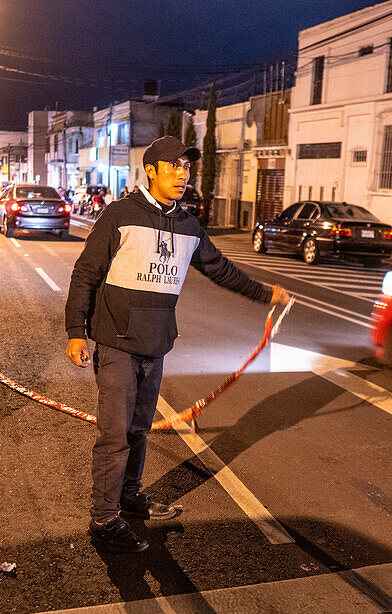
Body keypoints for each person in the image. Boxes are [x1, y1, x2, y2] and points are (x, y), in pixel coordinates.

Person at [65, 136, 291, 553]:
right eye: (174, 167)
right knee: (114, 434)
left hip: (156, 345)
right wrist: (76, 331)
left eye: (187, 168)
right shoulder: (120, 216)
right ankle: (104, 518)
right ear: (151, 172)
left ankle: (129, 496)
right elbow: (85, 273)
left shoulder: (188, 226)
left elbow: (219, 269)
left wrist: (265, 294)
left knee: (138, 429)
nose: (183, 175)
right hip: (115, 342)